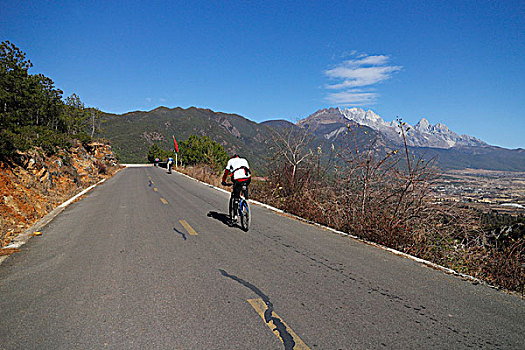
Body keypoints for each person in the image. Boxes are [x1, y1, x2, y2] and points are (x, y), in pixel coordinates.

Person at [221, 154, 251, 222]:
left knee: (236, 196)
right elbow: (248, 170)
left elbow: (226, 172)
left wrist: (223, 181)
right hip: (247, 178)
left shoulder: (230, 161)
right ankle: (245, 199)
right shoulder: (244, 160)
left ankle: (234, 216)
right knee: (244, 186)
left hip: (238, 180)